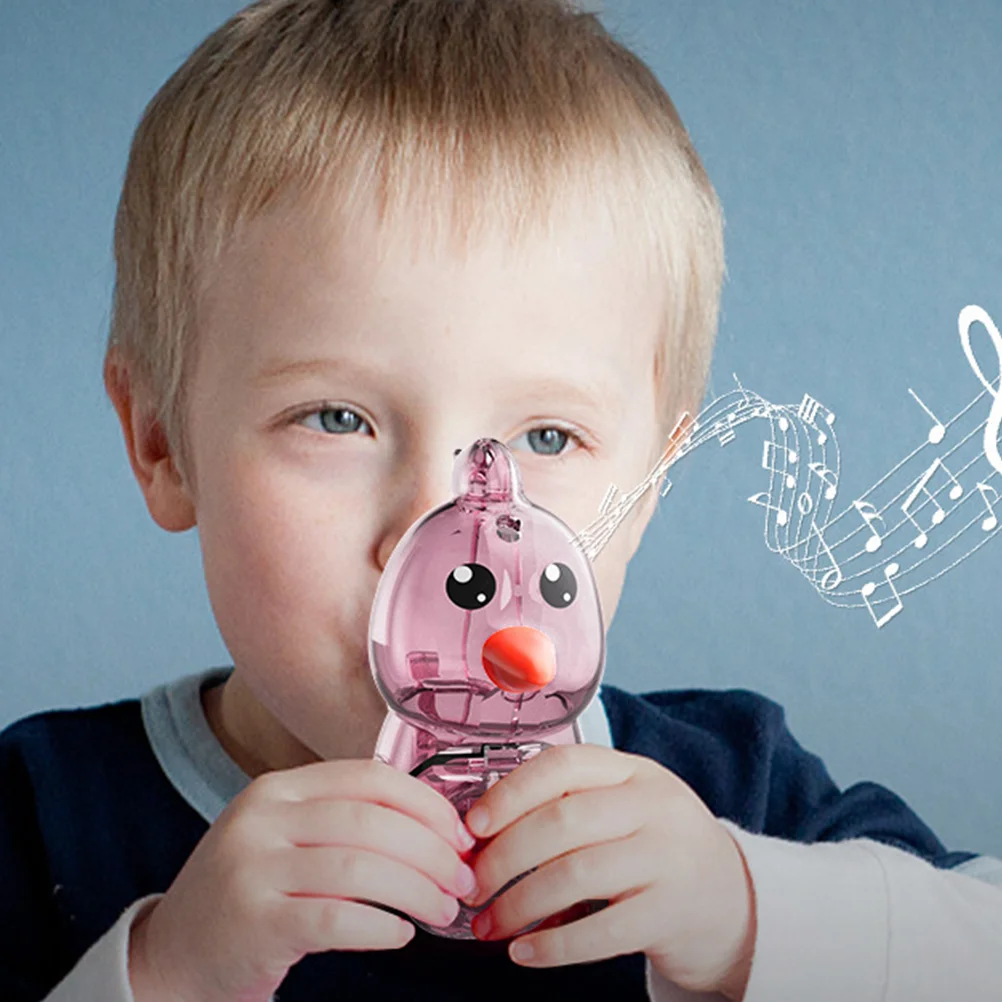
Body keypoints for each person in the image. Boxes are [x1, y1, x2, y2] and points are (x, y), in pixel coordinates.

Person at [1, 1, 1000, 1000]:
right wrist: (164, 975)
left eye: (545, 437)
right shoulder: (42, 814)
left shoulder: (735, 791)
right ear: (162, 443)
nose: (444, 542)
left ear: (651, 483)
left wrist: (746, 919)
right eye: (337, 419)